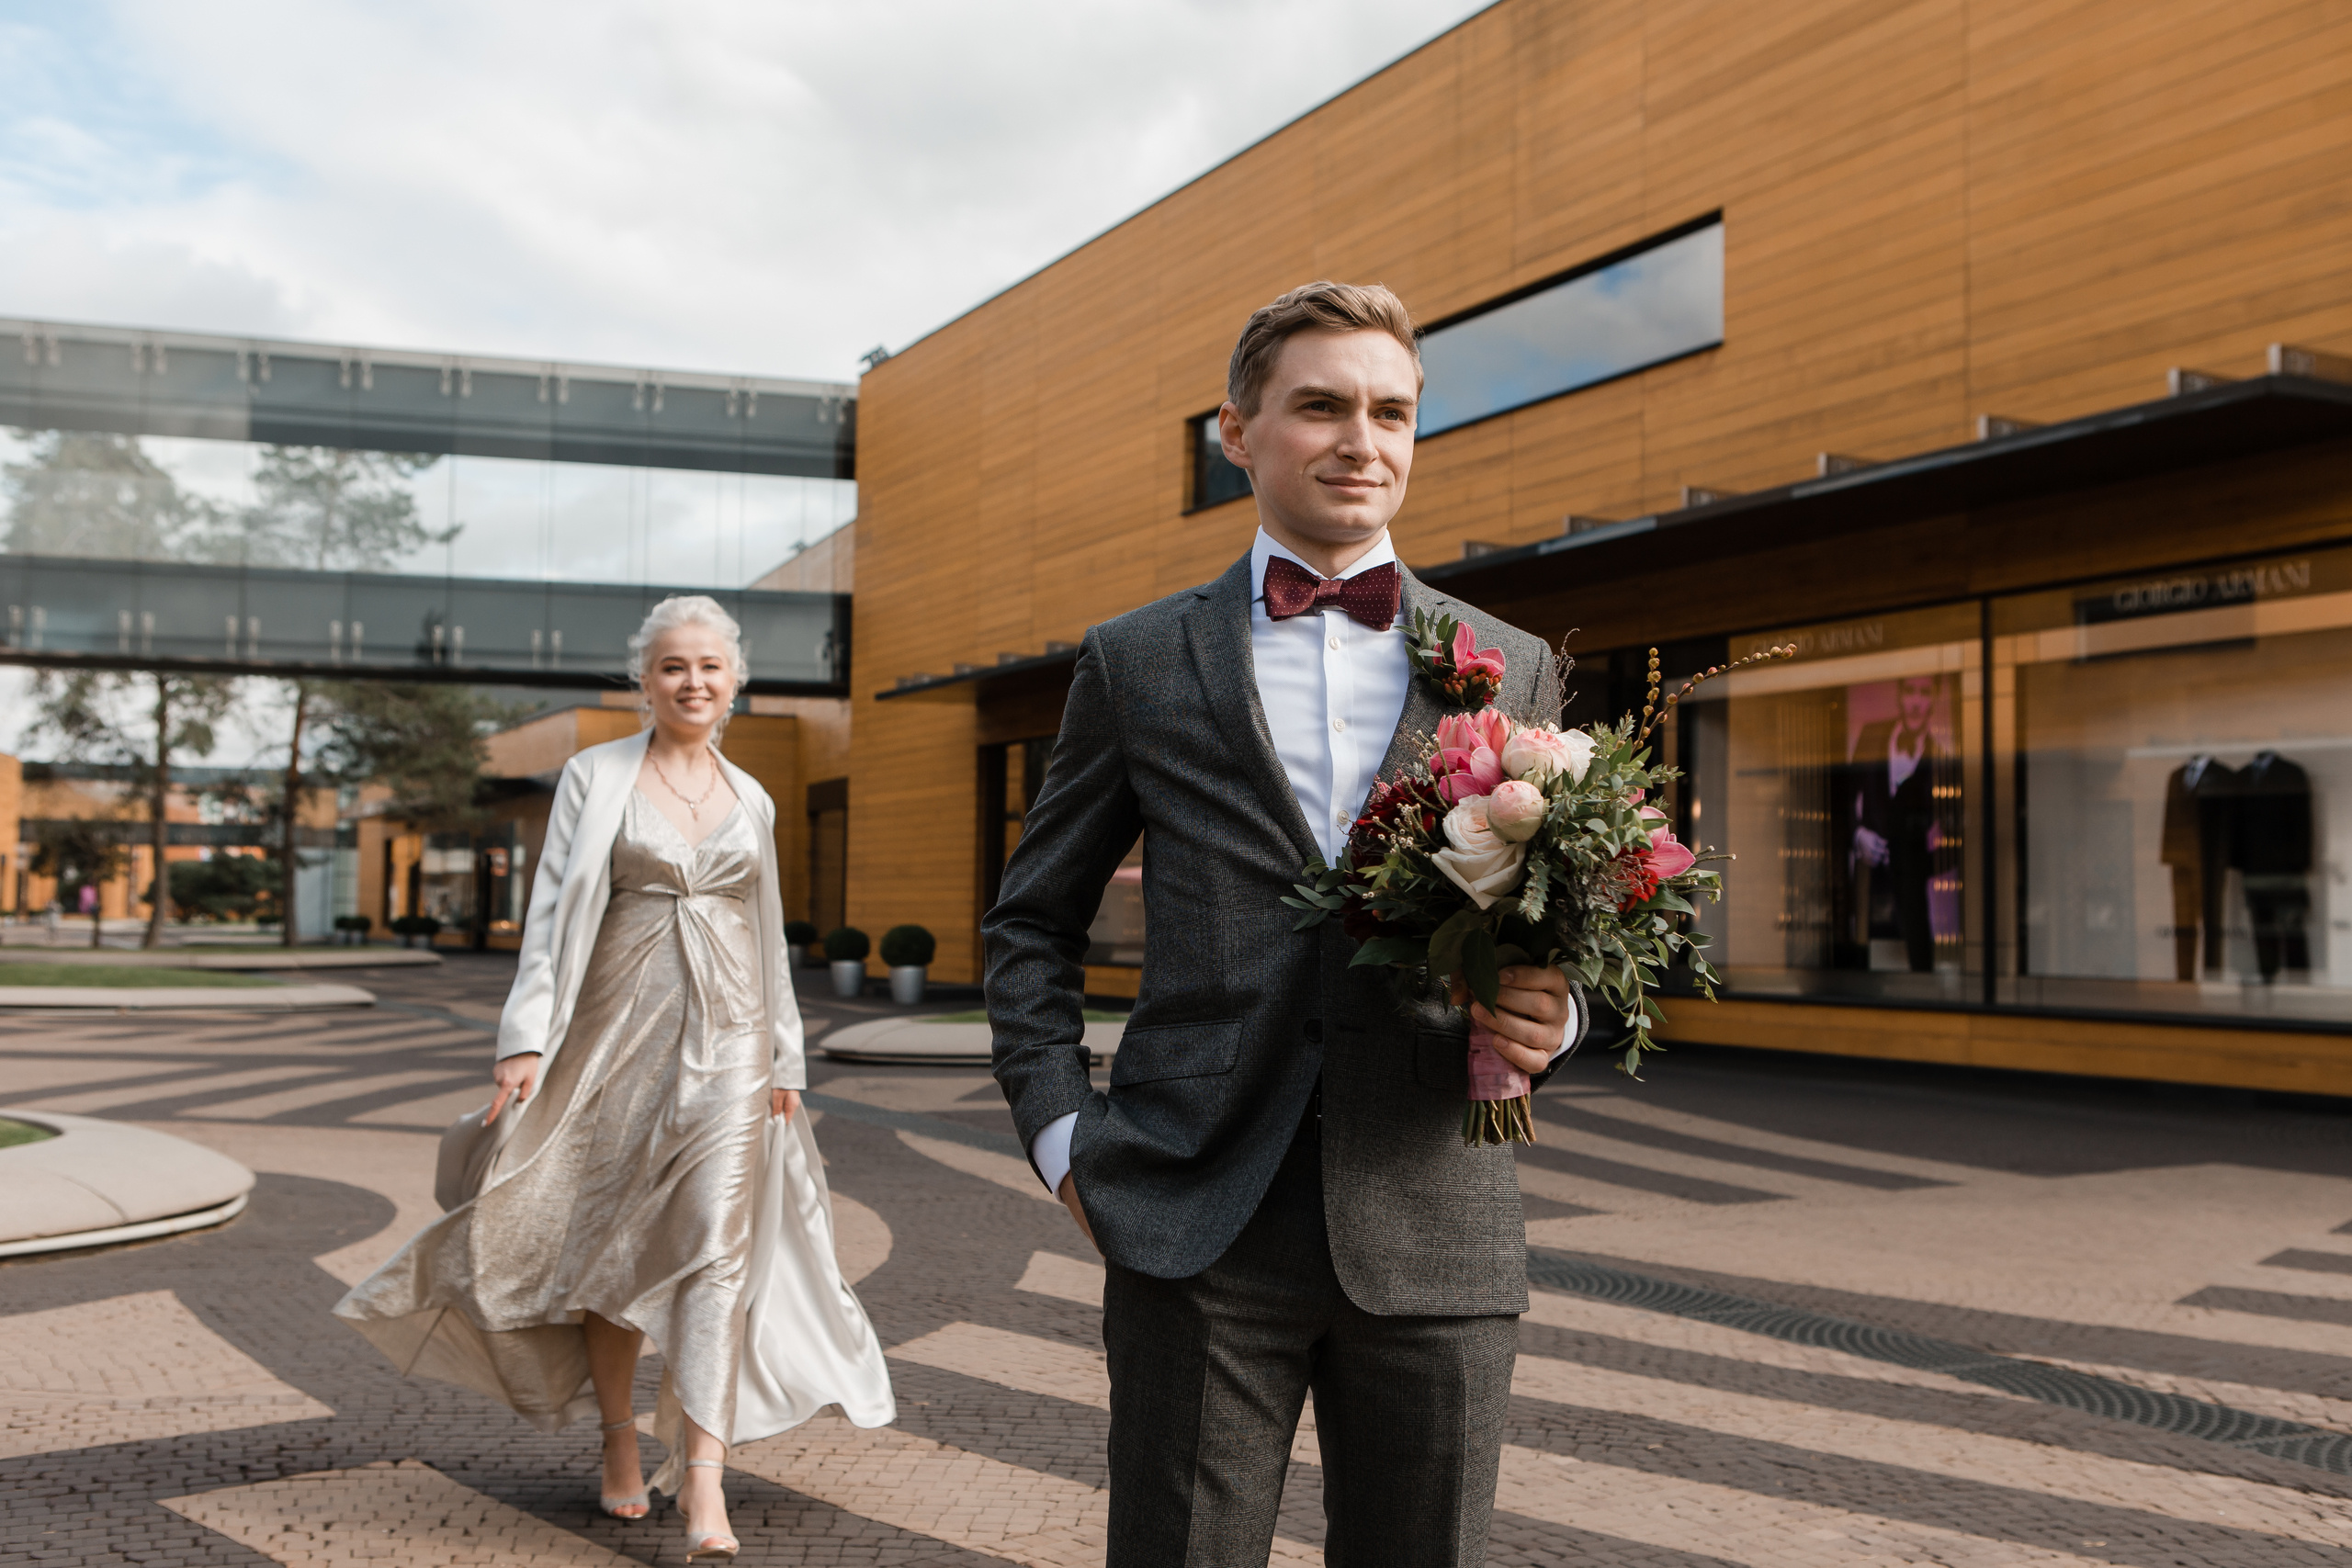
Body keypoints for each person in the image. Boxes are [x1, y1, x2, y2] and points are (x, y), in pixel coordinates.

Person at [985, 282, 1583, 1567]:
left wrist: (1559, 1012)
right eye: (1321, 406)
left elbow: (1555, 919)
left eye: (1391, 412)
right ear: (1237, 432)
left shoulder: (1512, 660)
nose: (1361, 440)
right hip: (1194, 1215)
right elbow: (1032, 921)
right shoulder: (1137, 660)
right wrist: (1064, 1138)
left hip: (1435, 1217)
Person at [334, 595, 894, 1562]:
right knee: (612, 1247)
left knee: (716, 1251)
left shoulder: (753, 796)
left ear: (735, 681)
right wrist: (524, 1040)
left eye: (709, 666)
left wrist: (785, 1057)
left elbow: (766, 937)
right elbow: (551, 914)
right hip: (612, 1040)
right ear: (645, 680)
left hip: (731, 1049)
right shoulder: (596, 776)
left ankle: (706, 1477)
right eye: (673, 665)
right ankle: (619, 1437)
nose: (692, 681)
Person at [1850, 675, 1949, 973]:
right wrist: (1858, 835)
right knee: (1864, 968)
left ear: (1934, 698)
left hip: (1912, 895)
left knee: (1917, 968)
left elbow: (1959, 838)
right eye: (1910, 691)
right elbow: (1842, 797)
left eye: (1924, 693)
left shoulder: (1942, 760)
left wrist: (1919, 865)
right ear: (1898, 695)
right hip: (1870, 883)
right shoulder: (1871, 736)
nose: (1916, 702)